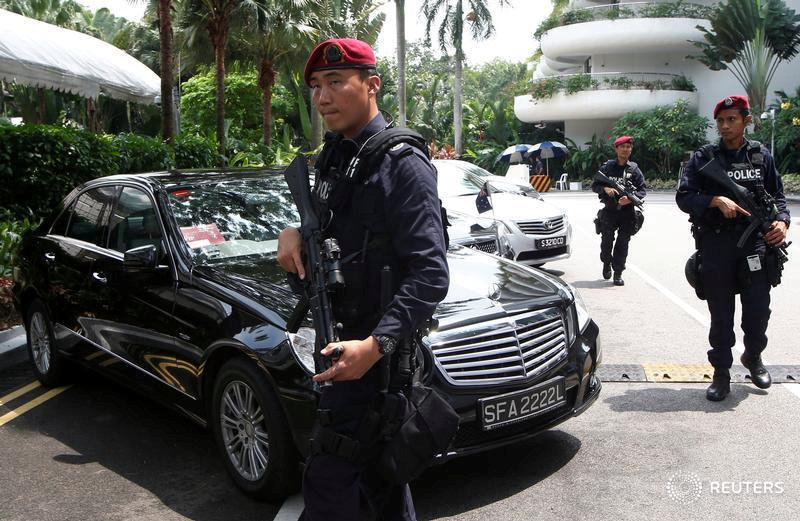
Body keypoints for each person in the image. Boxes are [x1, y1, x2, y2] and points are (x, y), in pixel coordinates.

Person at [276, 38, 449, 520]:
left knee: (333, 486)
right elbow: (326, 229)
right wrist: (293, 233)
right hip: (337, 350)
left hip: (376, 368)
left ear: (372, 86)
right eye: (315, 86)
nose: (322, 97)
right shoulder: (336, 155)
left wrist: (374, 346)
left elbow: (432, 273)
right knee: (379, 492)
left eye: (335, 82)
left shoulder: (403, 164)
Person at [677, 95, 790, 402]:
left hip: (755, 244)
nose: (725, 126)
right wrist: (714, 200)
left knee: (758, 312)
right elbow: (684, 196)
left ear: (746, 121)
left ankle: (753, 356)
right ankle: (721, 373)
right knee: (721, 315)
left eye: (732, 120)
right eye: (721, 121)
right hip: (717, 243)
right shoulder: (704, 157)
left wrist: (781, 222)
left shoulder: (760, 155)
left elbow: (778, 197)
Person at [592, 135, 647, 286]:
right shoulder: (607, 167)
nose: (625, 149)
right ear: (616, 149)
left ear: (631, 150)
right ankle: (606, 262)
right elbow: (594, 185)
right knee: (606, 242)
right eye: (622, 146)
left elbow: (642, 190)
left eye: (628, 147)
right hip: (609, 211)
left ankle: (618, 273)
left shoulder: (634, 170)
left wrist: (630, 198)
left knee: (623, 244)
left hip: (627, 213)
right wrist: (605, 188)